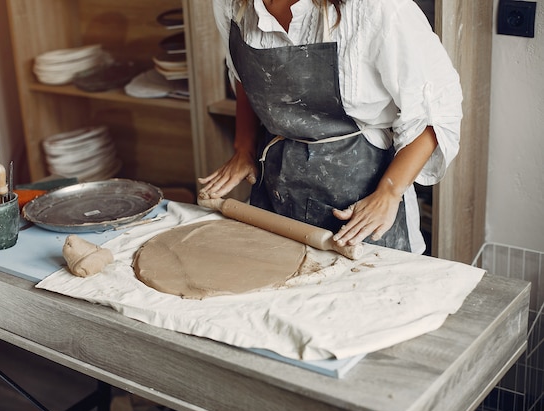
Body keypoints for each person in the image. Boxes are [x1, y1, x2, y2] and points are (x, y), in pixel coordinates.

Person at [198, 0, 462, 254]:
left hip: (360, 205)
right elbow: (244, 73)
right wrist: (243, 148)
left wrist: (389, 192)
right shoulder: (233, 4)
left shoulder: (377, 8)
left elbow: (435, 110)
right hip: (277, 192)